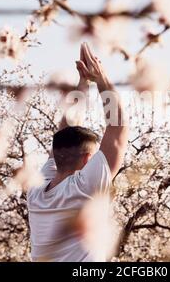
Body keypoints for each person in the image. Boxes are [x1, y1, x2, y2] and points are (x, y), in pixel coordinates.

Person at [27, 42, 128, 262]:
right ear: (87, 159)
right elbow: (117, 129)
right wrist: (101, 78)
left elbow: (65, 133)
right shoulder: (86, 187)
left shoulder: (36, 192)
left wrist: (83, 82)